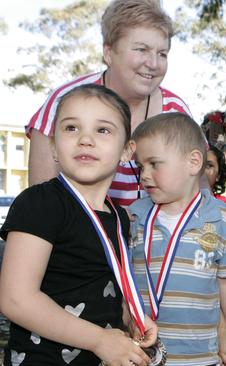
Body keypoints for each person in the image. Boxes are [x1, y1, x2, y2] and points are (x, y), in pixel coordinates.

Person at [0, 84, 157, 365]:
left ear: (126, 151)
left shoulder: (119, 217)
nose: (85, 139)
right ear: (53, 146)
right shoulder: (40, 203)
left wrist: (132, 318)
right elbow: (15, 299)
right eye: (71, 128)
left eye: (103, 130)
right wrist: (98, 340)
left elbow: (106, 285)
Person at [27, 0, 191, 206]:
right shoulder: (65, 101)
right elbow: (40, 200)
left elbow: (197, 188)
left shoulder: (177, 112)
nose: (153, 64)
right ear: (109, 53)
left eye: (162, 54)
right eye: (141, 49)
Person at [129, 113, 226, 365]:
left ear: (193, 162)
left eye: (154, 164)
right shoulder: (133, 217)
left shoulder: (222, 219)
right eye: (141, 166)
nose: (144, 175)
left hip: (201, 356)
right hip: (141, 355)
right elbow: (124, 285)